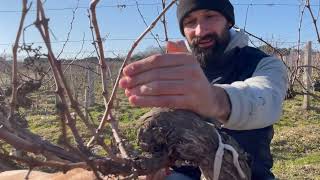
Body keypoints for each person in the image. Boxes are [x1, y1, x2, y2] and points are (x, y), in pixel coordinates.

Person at [119, 0, 288, 179]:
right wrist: (159, 162)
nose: (200, 30)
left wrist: (216, 100)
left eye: (210, 16)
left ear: (229, 21)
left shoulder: (264, 64)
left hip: (249, 174)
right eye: (190, 22)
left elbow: (267, 98)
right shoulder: (177, 66)